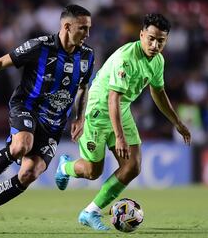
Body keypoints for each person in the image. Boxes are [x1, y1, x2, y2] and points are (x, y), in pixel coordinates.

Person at [0, 4, 94, 234]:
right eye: (83, 28)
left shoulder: (87, 55)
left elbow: (83, 87)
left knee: (30, 173)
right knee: (20, 145)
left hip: (54, 123)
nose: (87, 34)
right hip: (26, 107)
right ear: (67, 26)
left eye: (89, 28)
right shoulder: (40, 46)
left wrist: (79, 117)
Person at [55, 13, 191, 230]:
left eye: (161, 41)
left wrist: (177, 122)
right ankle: (66, 167)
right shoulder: (126, 59)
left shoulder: (157, 60)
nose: (155, 45)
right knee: (92, 172)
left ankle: (90, 212)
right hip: (99, 111)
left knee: (132, 166)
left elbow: (158, 91)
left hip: (121, 111)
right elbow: (112, 98)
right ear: (141, 34)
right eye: (151, 38)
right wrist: (119, 137)